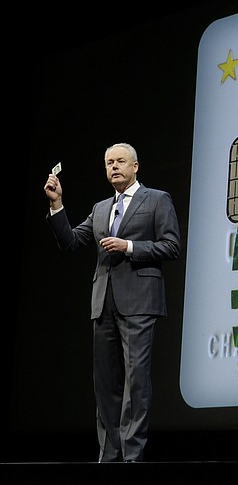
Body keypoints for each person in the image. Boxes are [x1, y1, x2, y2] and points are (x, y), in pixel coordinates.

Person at [44, 142, 181, 463]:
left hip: (140, 301)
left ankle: (132, 456)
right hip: (103, 302)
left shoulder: (157, 200)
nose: (114, 167)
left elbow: (171, 246)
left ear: (136, 167)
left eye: (120, 161)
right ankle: (109, 455)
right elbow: (71, 242)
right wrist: (57, 205)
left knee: (136, 380)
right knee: (104, 383)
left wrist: (129, 246)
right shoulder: (102, 208)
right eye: (109, 163)